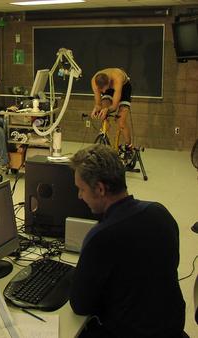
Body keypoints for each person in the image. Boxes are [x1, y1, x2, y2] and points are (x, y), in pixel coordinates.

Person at [69, 144, 185, 338]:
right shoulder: (160, 212)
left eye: (81, 189)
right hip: (171, 329)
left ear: (100, 189)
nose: (79, 196)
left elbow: (80, 305)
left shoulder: (101, 237)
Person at [91, 68, 133, 151]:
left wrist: (107, 109)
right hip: (109, 89)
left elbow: (114, 106)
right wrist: (96, 109)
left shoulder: (117, 77)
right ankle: (105, 137)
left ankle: (129, 147)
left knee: (121, 121)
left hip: (124, 88)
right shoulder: (94, 81)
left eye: (104, 89)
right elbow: (98, 104)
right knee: (103, 114)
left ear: (109, 83)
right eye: (101, 90)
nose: (103, 91)